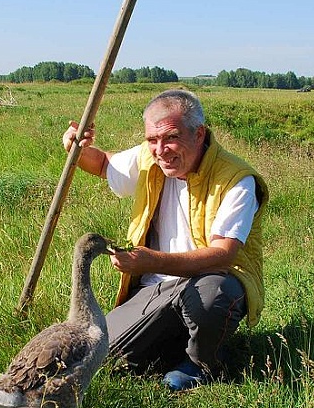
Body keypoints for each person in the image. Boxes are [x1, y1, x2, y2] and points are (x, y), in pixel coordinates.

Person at [62, 89, 269, 391]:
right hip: (154, 289)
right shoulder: (150, 158)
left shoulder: (236, 179)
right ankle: (176, 345)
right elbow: (106, 165)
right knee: (107, 360)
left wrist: (151, 260)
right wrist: (77, 149)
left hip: (207, 280)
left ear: (198, 134)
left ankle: (204, 363)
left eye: (171, 137)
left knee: (216, 294)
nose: (161, 150)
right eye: (152, 140)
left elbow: (224, 254)